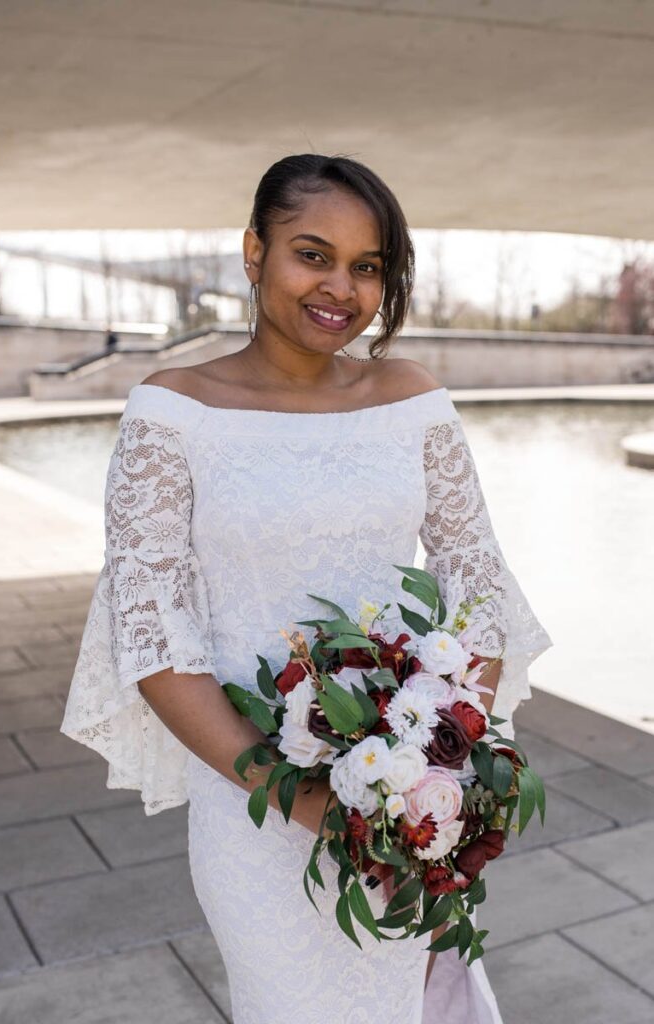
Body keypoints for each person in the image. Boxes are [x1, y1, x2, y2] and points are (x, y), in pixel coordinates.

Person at [61, 153, 553, 1024]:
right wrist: (316, 804)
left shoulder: (412, 399)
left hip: (405, 810)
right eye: (312, 254)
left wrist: (439, 758)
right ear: (254, 252)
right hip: (252, 805)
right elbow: (155, 639)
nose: (341, 288)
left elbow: (476, 586)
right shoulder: (171, 411)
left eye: (367, 267)